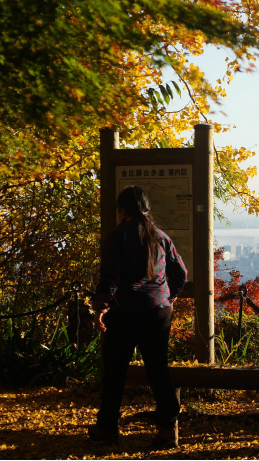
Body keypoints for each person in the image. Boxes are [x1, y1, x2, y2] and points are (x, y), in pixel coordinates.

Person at [89, 186, 187, 448]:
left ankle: (107, 427)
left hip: (124, 311)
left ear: (122, 210)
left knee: (115, 371)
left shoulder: (117, 236)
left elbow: (110, 277)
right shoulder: (161, 237)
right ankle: (169, 429)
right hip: (158, 311)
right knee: (158, 369)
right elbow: (181, 273)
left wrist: (101, 307)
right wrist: (170, 296)